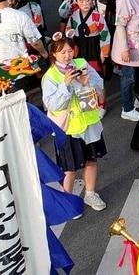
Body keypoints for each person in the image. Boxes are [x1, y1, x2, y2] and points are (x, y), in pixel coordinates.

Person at [41, 30, 108, 211]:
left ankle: (90, 194)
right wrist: (66, 85)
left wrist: (86, 82)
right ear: (54, 54)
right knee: (69, 169)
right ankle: (68, 202)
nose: (67, 55)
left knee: (91, 160)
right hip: (69, 127)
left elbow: (99, 84)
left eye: (70, 51)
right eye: (62, 52)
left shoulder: (81, 63)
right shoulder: (50, 76)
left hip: (89, 122)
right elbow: (51, 105)